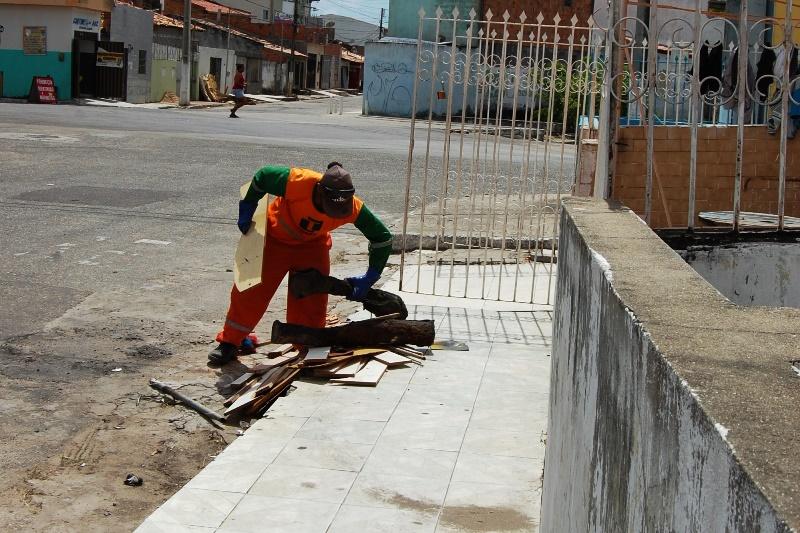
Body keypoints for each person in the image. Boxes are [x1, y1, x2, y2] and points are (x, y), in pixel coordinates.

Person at [208, 162, 392, 364]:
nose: (332, 213)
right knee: (251, 292)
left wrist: (371, 276)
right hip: (274, 240)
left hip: (312, 247)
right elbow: (264, 176)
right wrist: (248, 203)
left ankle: (307, 344)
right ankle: (230, 342)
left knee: (311, 300)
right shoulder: (298, 181)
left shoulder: (354, 208)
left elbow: (382, 238)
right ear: (319, 191)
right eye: (330, 207)